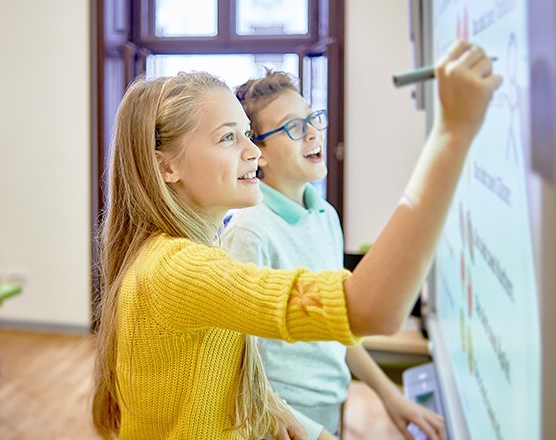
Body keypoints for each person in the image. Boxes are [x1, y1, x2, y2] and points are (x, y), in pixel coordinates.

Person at [91, 40, 501, 440]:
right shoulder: (178, 268)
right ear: (166, 168)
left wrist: (288, 416)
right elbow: (372, 308)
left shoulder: (187, 254)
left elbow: (224, 377)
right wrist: (452, 134)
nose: (253, 151)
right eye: (227, 138)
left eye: (247, 133)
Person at [222, 70, 445, 440]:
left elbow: (339, 325)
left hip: (330, 409)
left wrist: (389, 396)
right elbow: (239, 370)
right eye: (294, 126)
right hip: (279, 423)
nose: (312, 133)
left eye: (312, 118)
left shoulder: (325, 214)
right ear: (257, 153)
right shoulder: (249, 233)